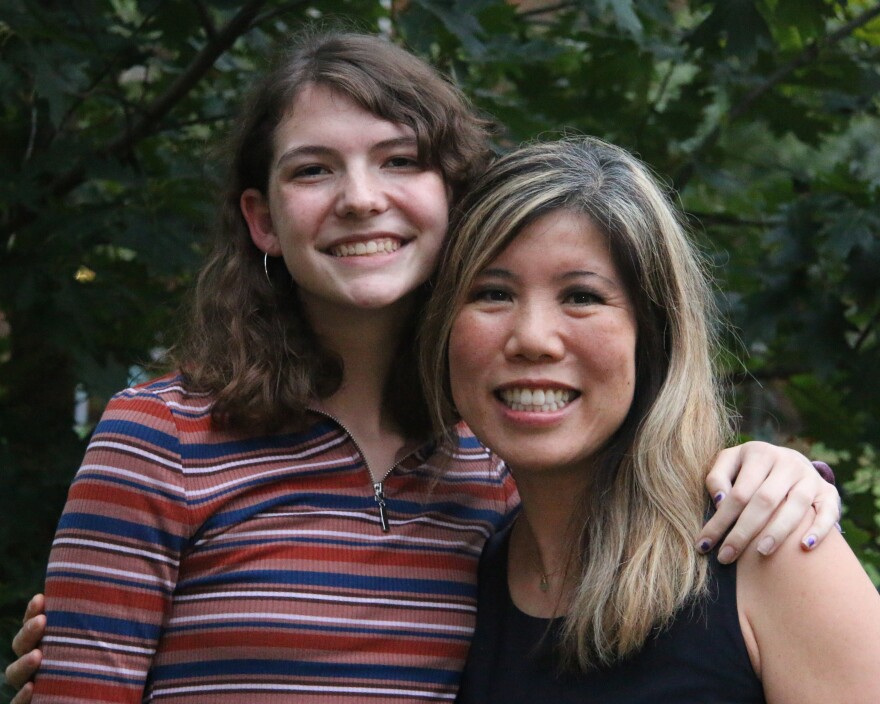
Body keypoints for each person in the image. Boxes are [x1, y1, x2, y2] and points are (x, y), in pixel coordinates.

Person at [6, 30, 840, 704]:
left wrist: (778, 471)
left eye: (400, 160)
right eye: (312, 169)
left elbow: (648, 497)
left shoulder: (503, 458)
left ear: (456, 200)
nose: (361, 197)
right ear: (262, 221)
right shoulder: (163, 438)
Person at [419, 136, 880, 703]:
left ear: (654, 335)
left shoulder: (769, 545)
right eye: (492, 293)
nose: (532, 338)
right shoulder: (462, 580)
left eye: (582, 297)